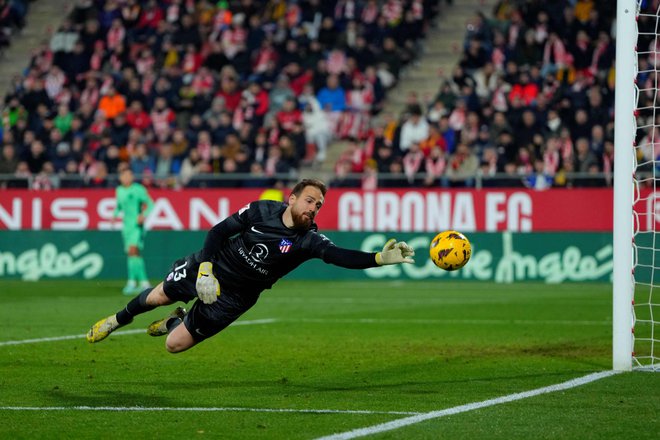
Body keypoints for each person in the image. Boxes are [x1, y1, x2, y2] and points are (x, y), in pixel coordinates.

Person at [87, 179, 415, 353]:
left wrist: (377, 259)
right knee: (159, 295)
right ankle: (116, 320)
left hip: (237, 296)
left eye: (319, 205)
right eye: (310, 200)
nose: (314, 208)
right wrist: (205, 269)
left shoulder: (308, 240)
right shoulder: (260, 211)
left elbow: (339, 256)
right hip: (212, 266)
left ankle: (178, 322)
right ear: (292, 198)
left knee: (174, 346)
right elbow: (218, 232)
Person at [113, 167, 154, 295]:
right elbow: (119, 206)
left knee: (132, 251)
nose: (127, 178)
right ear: (120, 178)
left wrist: (143, 214)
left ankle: (131, 282)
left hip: (137, 226)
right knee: (134, 254)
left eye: (129, 175)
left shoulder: (138, 189)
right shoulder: (119, 190)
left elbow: (150, 203)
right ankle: (144, 282)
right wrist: (114, 215)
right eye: (124, 176)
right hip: (127, 226)